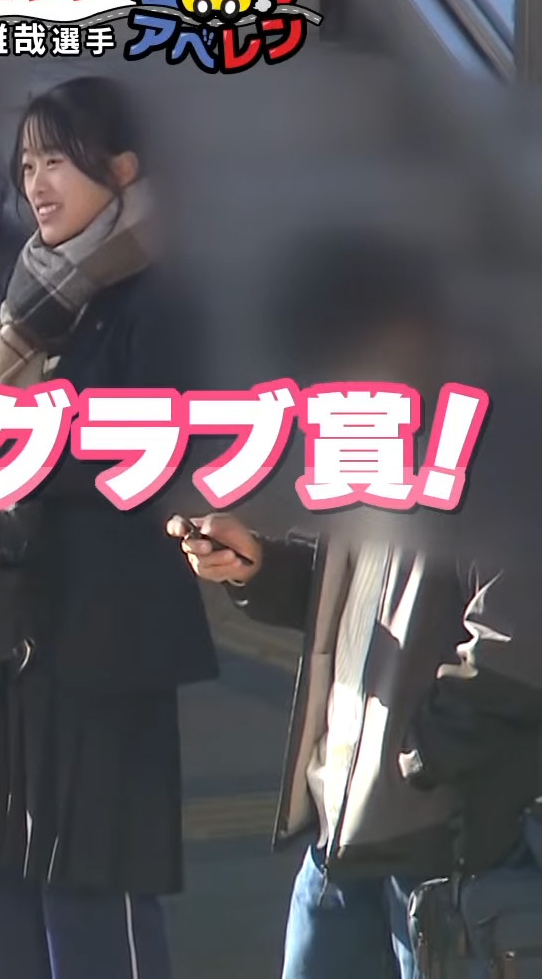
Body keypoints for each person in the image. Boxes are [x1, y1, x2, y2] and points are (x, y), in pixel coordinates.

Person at [170, 238, 542, 979]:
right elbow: (355, 595)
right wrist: (261, 567)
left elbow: (517, 631)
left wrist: (423, 756)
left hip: (444, 844)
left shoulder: (503, 436)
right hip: (341, 829)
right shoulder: (383, 432)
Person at [0, 76, 219, 979]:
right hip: (7, 635)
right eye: (26, 165)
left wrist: (24, 443)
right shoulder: (26, 294)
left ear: (122, 169)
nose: (37, 183)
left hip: (104, 640)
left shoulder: (162, 292)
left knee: (91, 897)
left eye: (59, 160)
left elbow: (156, 446)